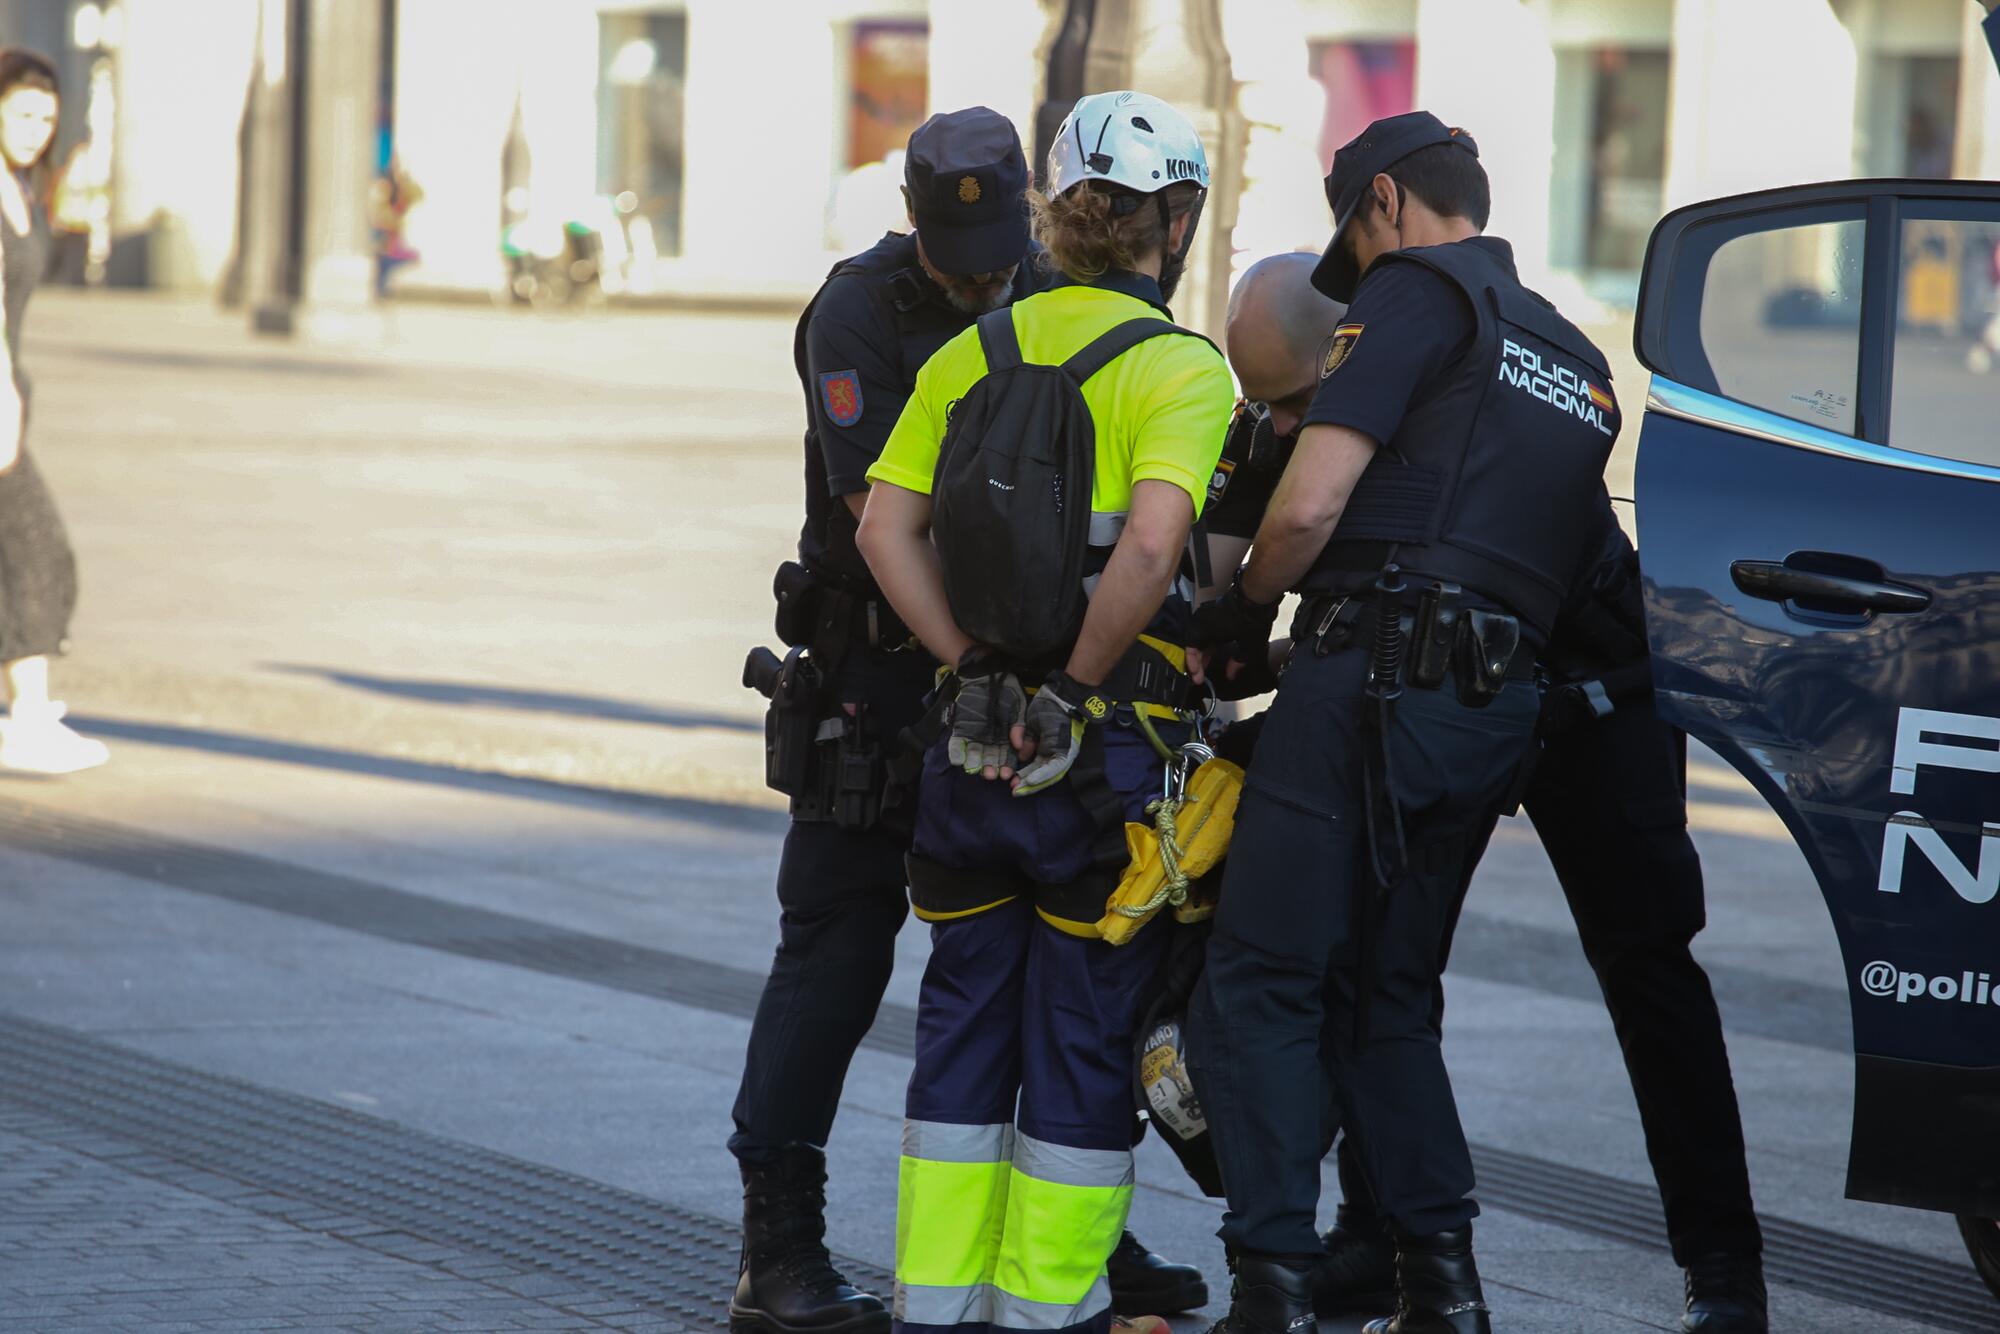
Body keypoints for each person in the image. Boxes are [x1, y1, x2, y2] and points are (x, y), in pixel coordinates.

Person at [1209, 253, 1767, 1334]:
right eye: (1257, 404)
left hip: (1591, 689)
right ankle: (1380, 1248)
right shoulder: (1303, 425)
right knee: (1381, 972)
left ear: (1344, 353)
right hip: (1450, 699)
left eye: (1288, 400)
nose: (1274, 425)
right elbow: (1257, 562)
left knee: (1649, 970)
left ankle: (1724, 1270)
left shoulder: (1446, 388)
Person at [729, 106, 1201, 1334]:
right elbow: (873, 511)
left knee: (1027, 977)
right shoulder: (859, 311)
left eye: (1005, 255)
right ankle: (775, 1240)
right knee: (832, 956)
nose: (988, 278)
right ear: (916, 221)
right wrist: (1001, 659)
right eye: (963, 262)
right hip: (878, 676)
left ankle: (1053, 1236)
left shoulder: (1033, 296)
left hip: (996, 687)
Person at [1184, 113, 1619, 1334]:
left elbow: (1312, 502)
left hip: (1361, 695)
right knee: (1388, 995)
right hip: (1484, 720)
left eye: (1356, 243)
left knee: (1264, 978)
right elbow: (1494, 555)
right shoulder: (1571, 359)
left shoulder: (1415, 294)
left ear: (1382, 203)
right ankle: (1442, 1289)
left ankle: (1266, 1288)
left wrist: (1240, 607)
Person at [856, 90, 1234, 1334]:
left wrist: (966, 663)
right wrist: (1074, 686)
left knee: (958, 1022)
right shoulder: (1177, 367)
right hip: (1099, 761)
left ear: (1055, 224)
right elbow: (1153, 549)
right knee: (1079, 1035)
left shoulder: (968, 353)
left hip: (968, 756)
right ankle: (1049, 1311)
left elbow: (881, 527)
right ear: (1167, 224)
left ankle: (934, 1304)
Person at [0, 50, 105, 775]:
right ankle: (29, 719)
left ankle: (27, 716)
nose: (37, 130)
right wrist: (2, 390)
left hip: (10, 390)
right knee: (36, 549)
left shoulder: (20, 187)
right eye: (24, 113)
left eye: (47, 119)